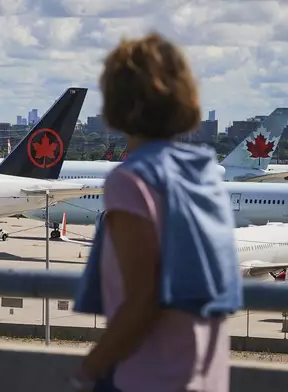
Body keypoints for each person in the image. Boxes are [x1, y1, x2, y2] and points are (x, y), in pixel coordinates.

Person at [70, 32, 243, 392]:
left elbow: (142, 302)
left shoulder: (132, 179)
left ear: (117, 104)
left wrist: (87, 371)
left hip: (144, 380)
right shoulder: (206, 172)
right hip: (206, 378)